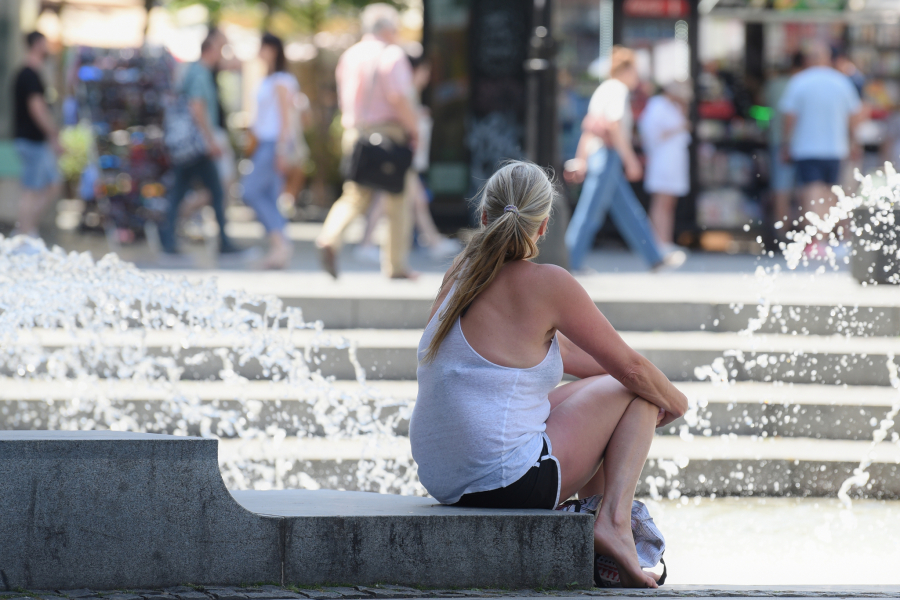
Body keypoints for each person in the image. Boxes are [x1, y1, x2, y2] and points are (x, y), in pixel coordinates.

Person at [410, 161, 687, 588]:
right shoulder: (547, 283)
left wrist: (638, 382)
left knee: (625, 389)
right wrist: (673, 400)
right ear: (542, 228)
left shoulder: (460, 273)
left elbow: (576, 356)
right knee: (638, 393)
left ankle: (599, 533)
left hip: (444, 477)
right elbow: (630, 369)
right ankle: (612, 523)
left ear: (484, 218)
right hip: (503, 481)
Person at [315, 3, 419, 279]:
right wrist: (415, 129)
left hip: (356, 132)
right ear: (387, 28)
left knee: (355, 194)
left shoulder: (350, 56)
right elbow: (399, 97)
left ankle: (330, 236)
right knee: (398, 198)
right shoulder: (392, 55)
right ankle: (396, 265)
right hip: (389, 133)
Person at [564, 46, 684, 271]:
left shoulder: (603, 89)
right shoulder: (618, 89)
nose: (637, 77)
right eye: (635, 71)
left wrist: (582, 158)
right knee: (590, 213)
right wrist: (630, 159)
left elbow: (589, 127)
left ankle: (654, 257)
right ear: (626, 69)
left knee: (628, 212)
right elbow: (614, 125)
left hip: (602, 156)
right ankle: (568, 261)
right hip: (608, 156)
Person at [353, 52, 460, 264]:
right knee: (392, 198)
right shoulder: (403, 86)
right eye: (426, 70)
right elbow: (404, 116)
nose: (428, 76)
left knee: (405, 198)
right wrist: (416, 126)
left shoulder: (404, 86)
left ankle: (429, 242)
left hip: (404, 153)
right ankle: (418, 246)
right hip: (403, 153)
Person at [160, 27, 243, 260]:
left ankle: (169, 237)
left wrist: (227, 44)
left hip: (193, 144)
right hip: (197, 144)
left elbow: (237, 64)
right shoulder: (199, 72)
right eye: (221, 48)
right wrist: (209, 141)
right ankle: (223, 243)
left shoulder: (203, 70)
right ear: (211, 48)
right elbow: (197, 107)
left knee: (184, 191)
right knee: (216, 191)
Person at [779, 41, 862, 257]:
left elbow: (789, 117)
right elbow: (854, 116)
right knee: (828, 193)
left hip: (806, 147)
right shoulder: (841, 82)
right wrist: (854, 142)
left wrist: (786, 143)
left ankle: (816, 241)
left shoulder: (798, 82)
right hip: (835, 147)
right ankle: (825, 239)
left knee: (811, 193)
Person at [241, 33, 298, 269]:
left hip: (275, 143)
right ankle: (279, 248)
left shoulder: (282, 80)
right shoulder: (267, 78)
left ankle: (281, 243)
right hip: (265, 143)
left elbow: (286, 118)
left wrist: (283, 149)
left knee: (250, 191)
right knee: (270, 196)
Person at [11, 31, 61, 239]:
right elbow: (37, 108)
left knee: (51, 184)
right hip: (31, 140)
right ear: (37, 44)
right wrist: (53, 133)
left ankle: (27, 230)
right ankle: (24, 233)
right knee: (32, 189)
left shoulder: (33, 73)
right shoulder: (28, 74)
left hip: (36, 140)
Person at [637, 81, 692, 248]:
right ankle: (657, 241)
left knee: (669, 203)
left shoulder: (674, 106)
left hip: (674, 161)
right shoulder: (657, 104)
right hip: (663, 160)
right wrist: (679, 127)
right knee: (661, 202)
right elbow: (652, 133)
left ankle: (665, 240)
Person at [763, 52, 804, 238]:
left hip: (779, 142)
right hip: (800, 144)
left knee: (781, 189)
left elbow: (762, 110)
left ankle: (782, 234)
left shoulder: (775, 84)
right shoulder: (803, 84)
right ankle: (803, 234)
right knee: (805, 190)